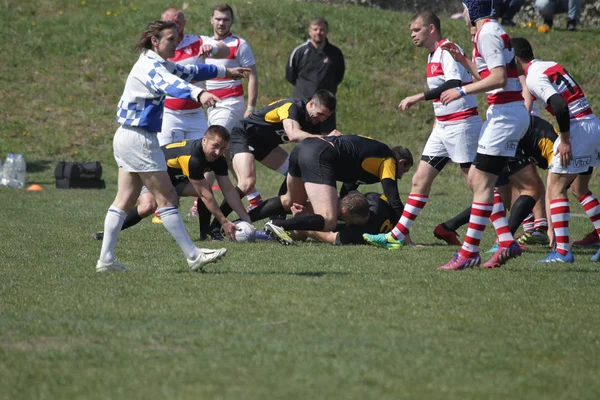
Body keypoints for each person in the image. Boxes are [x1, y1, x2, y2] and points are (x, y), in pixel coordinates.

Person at [96, 20, 232, 273]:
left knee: (124, 199)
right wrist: (200, 95)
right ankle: (193, 255)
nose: (177, 42)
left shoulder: (157, 63)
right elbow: (172, 85)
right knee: (168, 197)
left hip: (128, 136)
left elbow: (187, 73)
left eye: (177, 37)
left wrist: (225, 72)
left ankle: (106, 259)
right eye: (171, 39)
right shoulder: (149, 66)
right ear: (155, 41)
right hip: (139, 139)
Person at [361, 11, 481, 250]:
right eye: (412, 31)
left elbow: (454, 84)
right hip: (444, 127)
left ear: (432, 29)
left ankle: (503, 238)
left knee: (477, 184)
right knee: (419, 180)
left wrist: (418, 97)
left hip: (462, 125)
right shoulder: (431, 55)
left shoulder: (447, 49)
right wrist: (437, 122)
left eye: (416, 30)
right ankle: (397, 235)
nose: (413, 35)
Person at [436, 0, 530, 270]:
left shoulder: (487, 32)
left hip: (505, 115)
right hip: (505, 114)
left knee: (481, 183)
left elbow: (499, 79)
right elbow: (489, 76)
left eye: (465, 7)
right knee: (480, 180)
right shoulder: (488, 31)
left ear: (474, 9)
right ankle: (505, 240)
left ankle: (469, 252)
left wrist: (461, 91)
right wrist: (462, 60)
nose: (463, 12)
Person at [512, 37, 600, 263]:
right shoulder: (549, 65)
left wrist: (566, 139)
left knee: (555, 188)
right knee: (579, 188)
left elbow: (559, 105)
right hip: (592, 124)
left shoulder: (533, 77)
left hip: (577, 128)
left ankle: (562, 251)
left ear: (515, 57)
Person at [93, 126, 251, 242]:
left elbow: (229, 190)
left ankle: (206, 235)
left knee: (204, 191)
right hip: (151, 172)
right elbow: (205, 195)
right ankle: (107, 234)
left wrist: (246, 220)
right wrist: (224, 221)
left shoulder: (218, 159)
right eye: (215, 146)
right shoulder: (192, 158)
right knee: (147, 207)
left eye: (223, 148)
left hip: (174, 179)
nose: (218, 152)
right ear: (204, 140)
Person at [211, 89, 338, 229]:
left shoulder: (315, 121)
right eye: (320, 114)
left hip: (264, 144)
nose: (321, 119)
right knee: (247, 182)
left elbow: (314, 144)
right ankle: (217, 224)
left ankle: (276, 220)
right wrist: (326, 138)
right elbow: (293, 134)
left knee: (295, 171)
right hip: (244, 135)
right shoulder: (292, 107)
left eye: (325, 117)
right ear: (311, 104)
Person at [261, 135, 413, 245]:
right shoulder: (388, 161)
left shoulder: (370, 155)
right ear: (401, 162)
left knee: (290, 201)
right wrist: (405, 236)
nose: (400, 176)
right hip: (321, 157)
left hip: (306, 147)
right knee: (328, 219)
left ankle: (244, 220)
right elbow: (394, 200)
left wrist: (353, 203)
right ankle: (280, 225)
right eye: (403, 171)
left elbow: (349, 186)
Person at [204, 3, 263, 211]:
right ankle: (254, 196)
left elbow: (252, 75)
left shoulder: (239, 43)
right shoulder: (205, 44)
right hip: (211, 105)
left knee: (212, 146)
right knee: (226, 153)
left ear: (232, 22)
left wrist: (250, 106)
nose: (221, 23)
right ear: (211, 20)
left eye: (226, 19)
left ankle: (201, 198)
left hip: (231, 103)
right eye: (218, 19)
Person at [285, 17, 345, 133]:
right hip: (304, 105)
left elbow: (339, 76)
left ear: (326, 32)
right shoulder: (300, 52)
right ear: (309, 31)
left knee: (327, 140)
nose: (318, 33)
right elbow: (290, 76)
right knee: (303, 139)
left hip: (326, 107)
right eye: (315, 29)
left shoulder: (335, 53)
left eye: (322, 30)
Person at [289, 191, 396, 246]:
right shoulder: (375, 200)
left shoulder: (358, 234)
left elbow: (327, 237)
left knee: (303, 232)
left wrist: (302, 222)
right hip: (385, 223)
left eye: (342, 215)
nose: (339, 215)